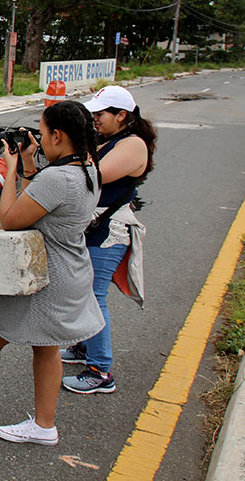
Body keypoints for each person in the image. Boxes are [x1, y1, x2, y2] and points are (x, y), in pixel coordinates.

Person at [0, 100, 104, 446]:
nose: (39, 141)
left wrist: (9, 169)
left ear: (57, 135)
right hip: (69, 271)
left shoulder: (58, 178)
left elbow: (11, 220)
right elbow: (36, 206)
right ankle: (44, 425)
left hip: (43, 279)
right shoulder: (88, 171)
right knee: (47, 346)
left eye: (42, 135)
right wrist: (28, 164)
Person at [61, 85, 155, 394]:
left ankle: (101, 370)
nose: (94, 119)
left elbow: (93, 175)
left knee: (93, 297)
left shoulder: (133, 144)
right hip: (94, 230)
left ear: (121, 115)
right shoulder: (111, 140)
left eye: (100, 114)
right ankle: (83, 347)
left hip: (109, 233)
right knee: (80, 291)